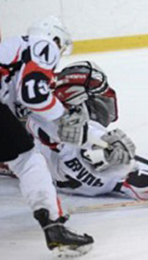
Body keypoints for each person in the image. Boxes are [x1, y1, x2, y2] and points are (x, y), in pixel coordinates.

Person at [22, 60, 148, 203]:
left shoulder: (40, 117)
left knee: (121, 173)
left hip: (63, 178)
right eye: (98, 96)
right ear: (79, 98)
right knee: (125, 172)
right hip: (90, 179)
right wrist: (108, 144)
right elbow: (83, 134)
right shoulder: (66, 124)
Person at [0, 16, 94, 258]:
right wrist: (64, 116)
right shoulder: (43, 44)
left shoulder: (12, 54)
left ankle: (54, 220)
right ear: (55, 37)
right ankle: (53, 227)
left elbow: (27, 107)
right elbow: (34, 95)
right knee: (27, 161)